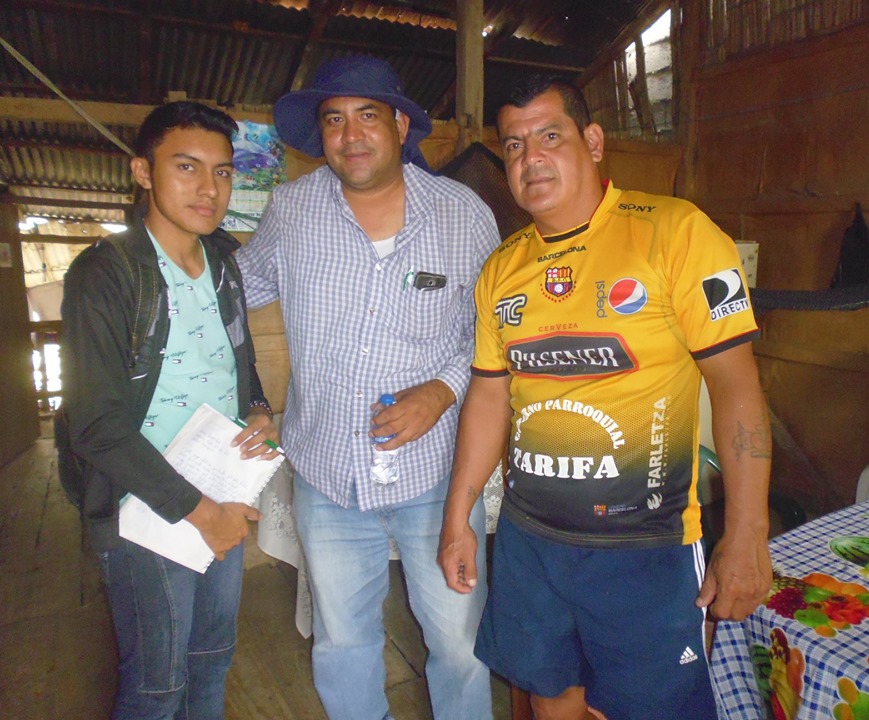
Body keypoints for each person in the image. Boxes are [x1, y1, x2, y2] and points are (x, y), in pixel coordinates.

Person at [438, 75, 774, 720]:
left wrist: (747, 533)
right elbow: (488, 396)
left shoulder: (676, 232)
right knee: (549, 699)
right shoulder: (502, 268)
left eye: (550, 136)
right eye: (514, 145)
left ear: (592, 142)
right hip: (530, 542)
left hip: (645, 546)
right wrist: (458, 516)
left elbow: (735, 384)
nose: (531, 158)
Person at [237, 55, 500, 720]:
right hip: (329, 473)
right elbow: (234, 291)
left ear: (400, 125)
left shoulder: (463, 215)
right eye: (334, 120)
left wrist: (441, 391)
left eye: (367, 116)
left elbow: (493, 333)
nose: (350, 134)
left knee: (460, 643)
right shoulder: (292, 210)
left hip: (436, 476)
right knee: (343, 642)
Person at [60, 101, 280, 720]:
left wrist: (257, 408)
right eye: (187, 167)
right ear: (143, 172)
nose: (209, 188)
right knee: (156, 687)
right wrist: (205, 515)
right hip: (146, 507)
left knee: (211, 660)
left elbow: (237, 359)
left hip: (218, 492)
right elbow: (96, 425)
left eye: (222, 171)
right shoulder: (106, 274)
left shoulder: (223, 265)